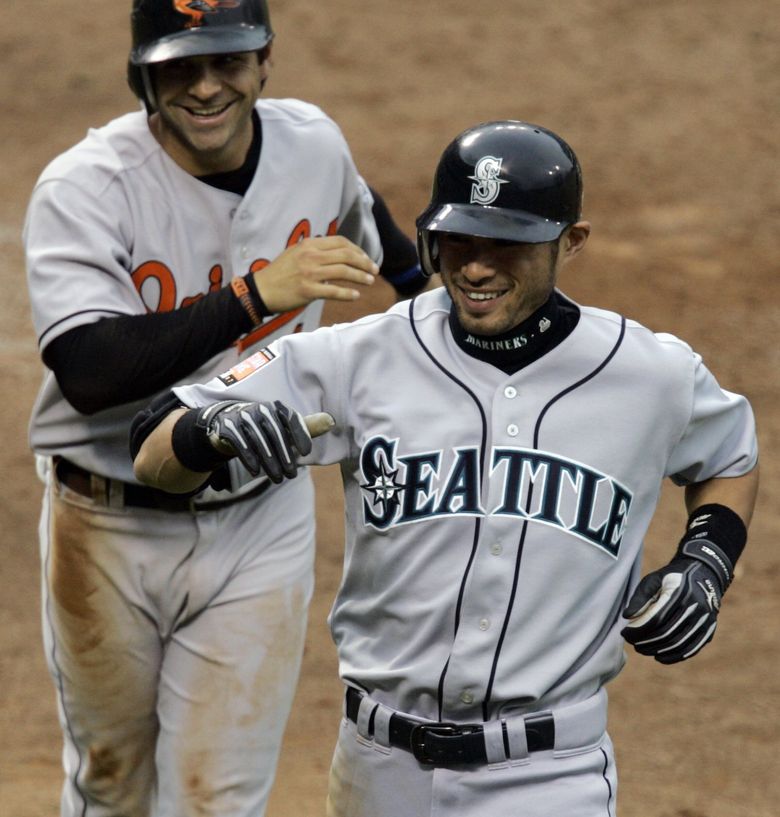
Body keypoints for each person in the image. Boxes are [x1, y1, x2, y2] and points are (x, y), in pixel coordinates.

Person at [131, 120, 759, 817]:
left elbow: (731, 454)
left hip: (550, 775)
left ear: (571, 242)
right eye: (459, 239)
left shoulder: (651, 375)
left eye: (507, 244)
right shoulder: (361, 356)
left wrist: (706, 561)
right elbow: (152, 448)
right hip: (378, 770)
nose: (477, 267)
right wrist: (207, 430)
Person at [22, 1, 432, 815]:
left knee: (220, 798)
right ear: (142, 73)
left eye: (228, 61)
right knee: (111, 785)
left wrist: (430, 300)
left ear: (264, 61)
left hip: (260, 518)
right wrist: (252, 297)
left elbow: (369, 219)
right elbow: (92, 370)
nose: (206, 86)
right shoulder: (86, 188)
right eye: (179, 66)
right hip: (107, 522)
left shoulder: (313, 142)